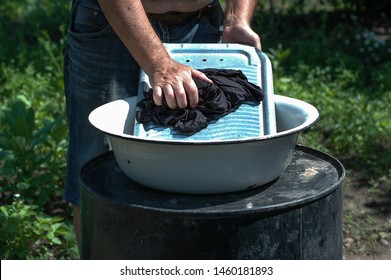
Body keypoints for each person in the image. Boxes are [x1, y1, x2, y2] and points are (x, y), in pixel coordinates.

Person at [64, 0, 261, 249]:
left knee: (204, 170)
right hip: (112, 25)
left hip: (203, 24)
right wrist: (158, 61)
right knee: (101, 172)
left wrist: (236, 18)